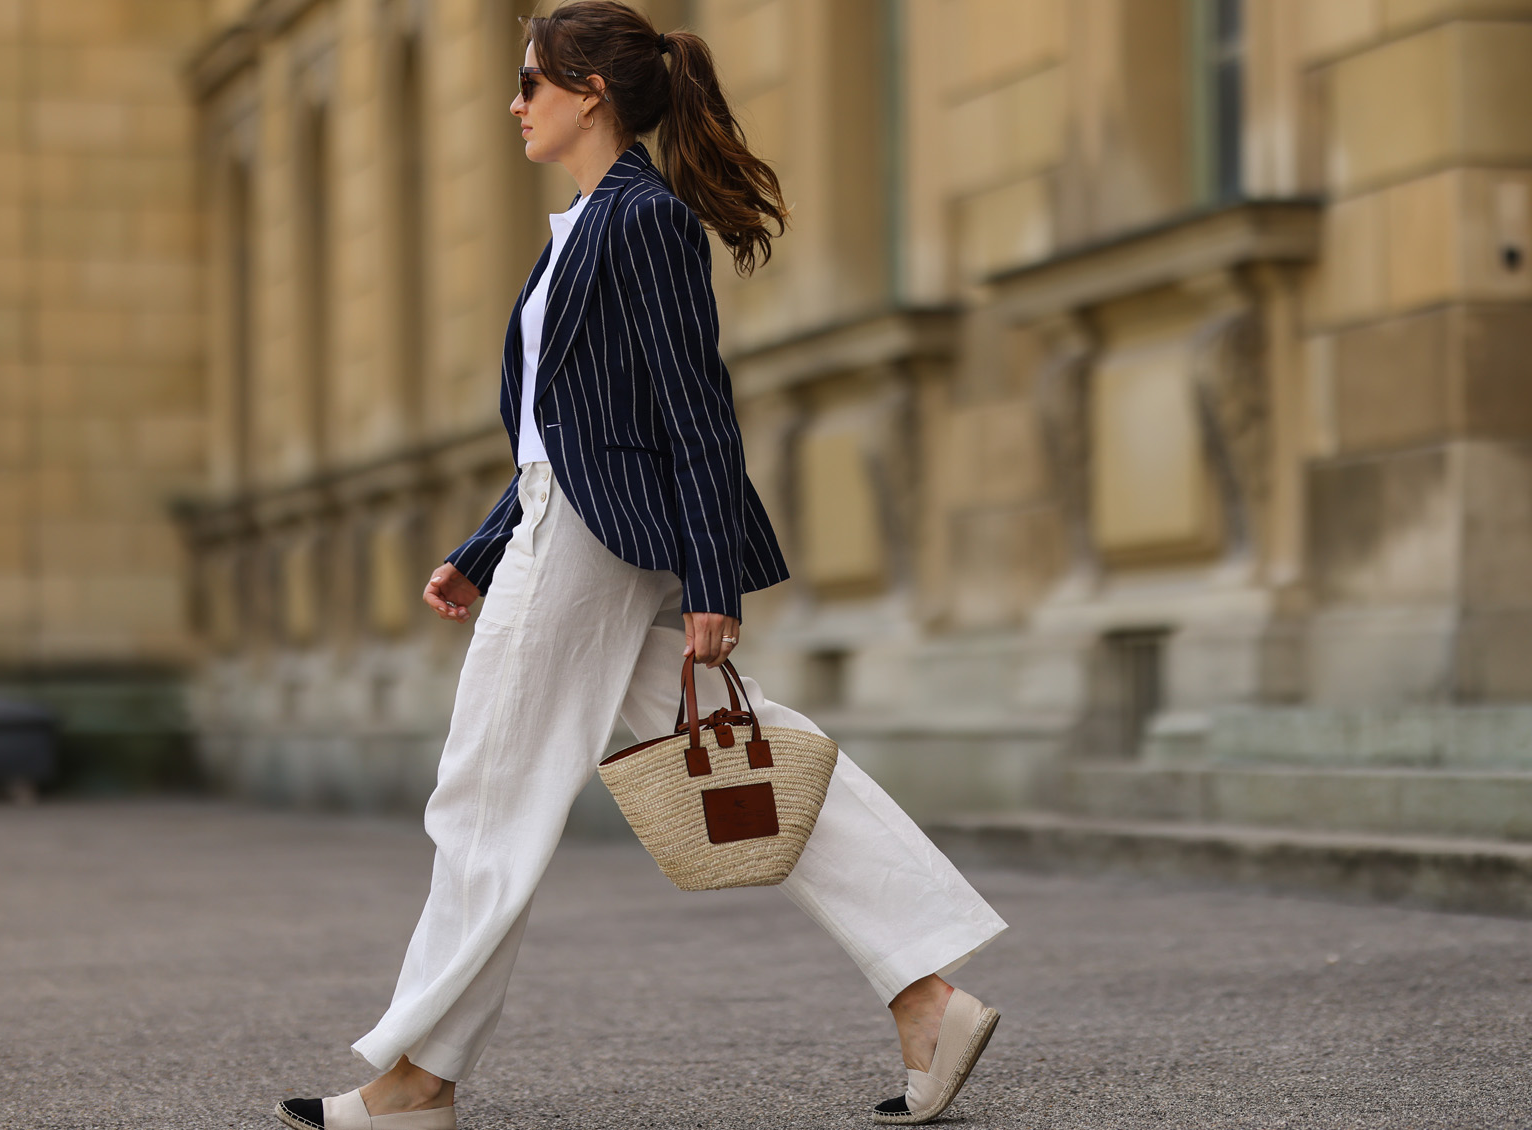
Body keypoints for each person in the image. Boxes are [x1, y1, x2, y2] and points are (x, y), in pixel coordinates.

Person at [272, 4, 1007, 1128]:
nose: (513, 103)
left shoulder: (643, 221)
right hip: (561, 525)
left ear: (589, 92)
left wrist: (714, 580)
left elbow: (693, 413)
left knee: (483, 794)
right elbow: (562, 429)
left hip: (591, 544)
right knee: (738, 751)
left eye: (530, 83)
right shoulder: (581, 223)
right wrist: (481, 547)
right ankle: (926, 993)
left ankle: (418, 1079)